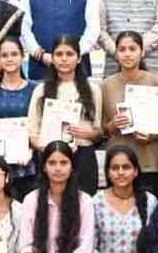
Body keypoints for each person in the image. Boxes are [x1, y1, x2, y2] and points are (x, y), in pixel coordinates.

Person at [27, 34, 104, 196]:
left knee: (83, 205)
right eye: (59, 54)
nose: (64, 59)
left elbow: (99, 131)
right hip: (51, 158)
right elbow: (32, 134)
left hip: (83, 157)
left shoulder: (93, 90)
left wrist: (91, 134)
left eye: (69, 54)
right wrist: (49, 149)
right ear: (52, 59)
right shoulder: (41, 90)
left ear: (79, 58)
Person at [100, 31, 158, 198]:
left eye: (132, 48)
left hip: (149, 163)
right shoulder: (105, 86)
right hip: (118, 165)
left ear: (142, 52)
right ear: (116, 53)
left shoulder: (156, 82)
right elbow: (99, 129)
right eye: (122, 49)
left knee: (149, 211)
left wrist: (152, 135)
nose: (127, 54)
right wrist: (112, 125)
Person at [0, 36, 39, 199]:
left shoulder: (35, 90)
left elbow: (39, 124)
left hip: (28, 165)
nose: (9, 59)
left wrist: (32, 150)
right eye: (4, 55)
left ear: (23, 56)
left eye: (14, 54)